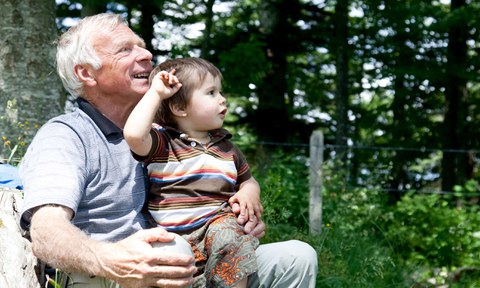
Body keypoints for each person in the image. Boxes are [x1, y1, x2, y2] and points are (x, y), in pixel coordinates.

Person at [19, 12, 318, 288]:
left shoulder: (172, 135)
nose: (147, 55)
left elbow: (224, 186)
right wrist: (110, 259)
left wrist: (239, 216)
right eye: (125, 49)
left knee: (296, 257)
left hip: (188, 264)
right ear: (86, 73)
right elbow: (46, 231)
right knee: (171, 252)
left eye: (143, 46)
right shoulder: (66, 136)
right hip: (112, 274)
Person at [123, 57, 262, 288]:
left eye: (220, 91)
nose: (222, 99)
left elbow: (248, 180)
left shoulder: (226, 148)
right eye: (211, 92)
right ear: (179, 108)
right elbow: (134, 134)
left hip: (218, 228)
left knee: (230, 236)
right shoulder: (164, 143)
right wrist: (156, 93)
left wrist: (249, 192)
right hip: (175, 239)